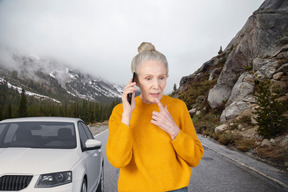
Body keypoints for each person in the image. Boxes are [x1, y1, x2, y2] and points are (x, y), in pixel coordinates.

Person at [107, 42, 204, 192]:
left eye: (161, 77)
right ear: (135, 81)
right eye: (148, 78)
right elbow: (118, 160)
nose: (156, 86)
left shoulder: (178, 107)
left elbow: (195, 158)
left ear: (167, 77)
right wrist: (127, 115)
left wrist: (174, 131)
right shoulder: (120, 111)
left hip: (175, 189)